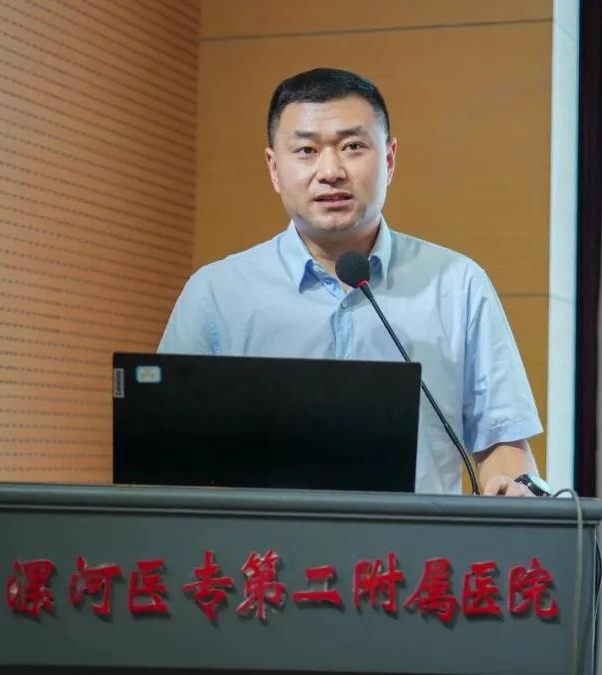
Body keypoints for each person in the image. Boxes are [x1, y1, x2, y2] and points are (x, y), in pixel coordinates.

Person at [159, 67, 542, 496]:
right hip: (265, 541)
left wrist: (514, 490)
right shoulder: (216, 294)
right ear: (273, 168)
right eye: (306, 150)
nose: (331, 171)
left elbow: (503, 444)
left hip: (417, 541)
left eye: (353, 147)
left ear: (389, 159)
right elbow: (167, 459)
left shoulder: (458, 285)